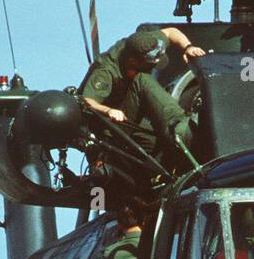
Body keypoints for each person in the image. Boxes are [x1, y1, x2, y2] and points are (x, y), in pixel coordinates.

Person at [79, 27, 205, 166]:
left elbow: (171, 32)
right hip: (107, 123)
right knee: (142, 79)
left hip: (130, 112)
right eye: (149, 64)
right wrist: (109, 111)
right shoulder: (106, 71)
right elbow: (87, 101)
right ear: (133, 61)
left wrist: (188, 47)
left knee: (155, 144)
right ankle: (108, 157)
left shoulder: (144, 43)